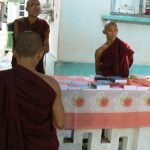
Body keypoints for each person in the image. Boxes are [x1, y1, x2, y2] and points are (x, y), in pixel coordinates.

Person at [0, 31, 65, 150]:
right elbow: (60, 123)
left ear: (14, 52)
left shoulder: (3, 79)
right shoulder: (51, 84)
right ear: (40, 54)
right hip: (41, 145)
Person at [12, 0, 50, 74]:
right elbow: (18, 45)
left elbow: (46, 48)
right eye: (32, 5)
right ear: (26, 9)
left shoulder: (44, 24)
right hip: (20, 62)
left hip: (37, 63)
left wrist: (38, 53)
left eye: (38, 5)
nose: (36, 7)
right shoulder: (18, 23)